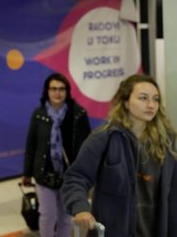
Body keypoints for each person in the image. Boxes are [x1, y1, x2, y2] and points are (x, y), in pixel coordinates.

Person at [61, 74, 177, 237]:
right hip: (115, 231)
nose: (151, 105)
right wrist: (80, 208)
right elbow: (76, 177)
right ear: (126, 102)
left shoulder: (168, 141)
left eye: (156, 99)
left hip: (158, 228)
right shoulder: (104, 138)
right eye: (143, 98)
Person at [21, 73, 91, 237]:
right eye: (53, 89)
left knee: (65, 217)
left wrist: (87, 174)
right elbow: (31, 145)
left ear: (67, 91)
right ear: (47, 91)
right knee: (47, 215)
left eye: (61, 89)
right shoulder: (39, 114)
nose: (57, 93)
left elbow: (87, 146)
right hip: (44, 174)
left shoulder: (78, 114)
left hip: (69, 175)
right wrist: (26, 173)